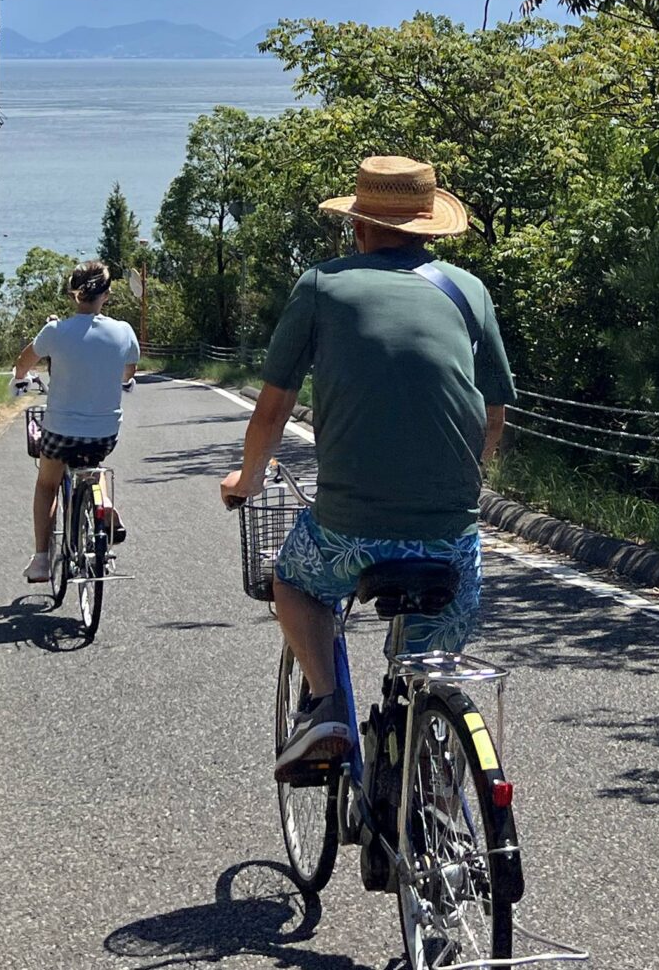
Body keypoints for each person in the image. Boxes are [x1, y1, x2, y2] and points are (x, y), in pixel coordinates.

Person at [217, 156, 515, 780]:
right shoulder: (469, 292)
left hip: (350, 528)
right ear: (430, 229)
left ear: (357, 227)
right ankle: (430, 796)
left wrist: (246, 479)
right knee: (424, 675)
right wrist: (461, 486)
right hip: (450, 535)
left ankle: (326, 705)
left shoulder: (322, 285)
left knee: (293, 583)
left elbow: (272, 411)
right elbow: (493, 419)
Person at [14, 259, 141, 583]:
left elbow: (22, 364)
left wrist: (20, 380)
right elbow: (129, 372)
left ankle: (42, 560)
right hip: (104, 432)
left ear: (75, 295)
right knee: (91, 462)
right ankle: (104, 503)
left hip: (60, 431)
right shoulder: (123, 331)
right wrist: (121, 381)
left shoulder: (56, 331)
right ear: (107, 295)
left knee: (47, 485)